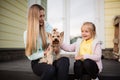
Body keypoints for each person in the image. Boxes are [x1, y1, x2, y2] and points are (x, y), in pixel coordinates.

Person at [23, 4, 69, 80]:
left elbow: (56, 39)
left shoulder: (46, 26)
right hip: (38, 62)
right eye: (40, 16)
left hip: (51, 57)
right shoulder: (27, 34)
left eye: (44, 16)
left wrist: (74, 47)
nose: (43, 19)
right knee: (50, 69)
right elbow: (30, 56)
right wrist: (44, 53)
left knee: (64, 60)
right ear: (33, 18)